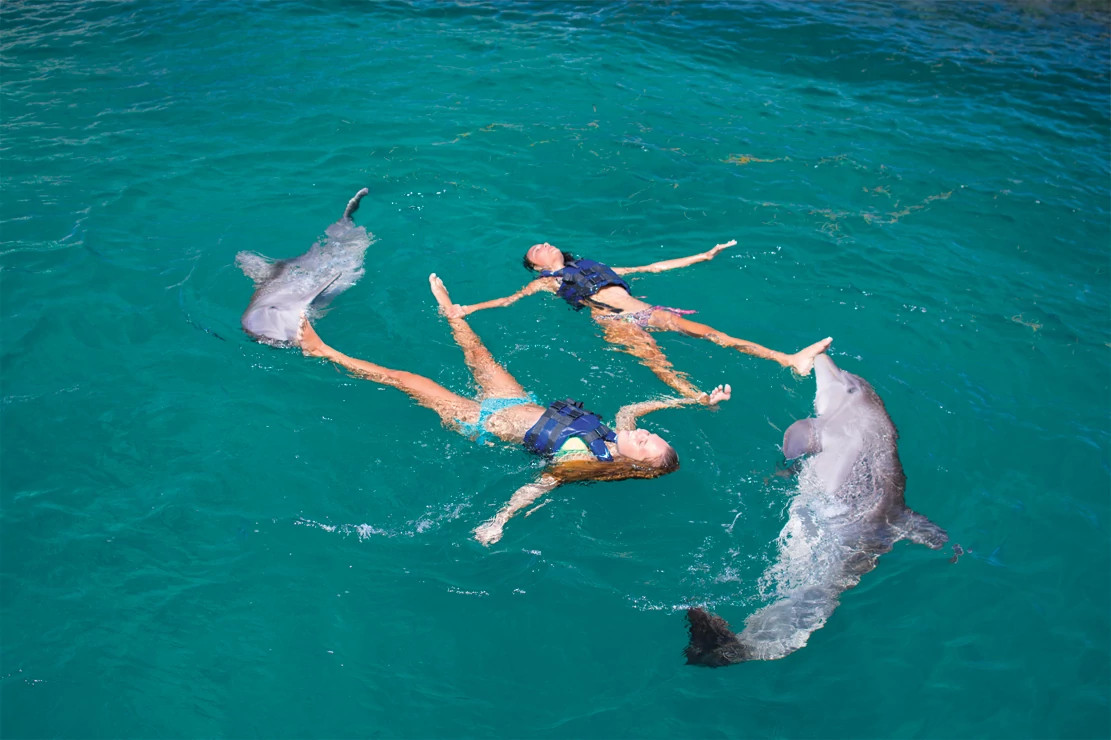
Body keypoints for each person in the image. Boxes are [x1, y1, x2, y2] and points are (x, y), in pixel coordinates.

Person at [298, 274, 732, 546]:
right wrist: (693, 398)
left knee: (408, 380)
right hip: (517, 402)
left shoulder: (583, 459)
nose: (643, 435)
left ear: (635, 465)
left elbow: (539, 486)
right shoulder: (620, 434)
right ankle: (450, 309)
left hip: (482, 421)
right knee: (478, 351)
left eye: (646, 444)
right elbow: (635, 407)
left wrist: (498, 521)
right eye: (652, 435)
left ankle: (322, 352)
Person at [442, 240, 832, 398]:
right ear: (535, 266)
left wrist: (702, 256)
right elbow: (508, 300)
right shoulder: (547, 283)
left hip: (647, 311)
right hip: (616, 322)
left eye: (544, 242)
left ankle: (788, 359)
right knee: (659, 364)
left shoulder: (595, 265)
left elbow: (654, 266)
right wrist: (468, 309)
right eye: (535, 250)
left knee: (713, 334)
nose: (543, 245)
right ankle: (696, 397)